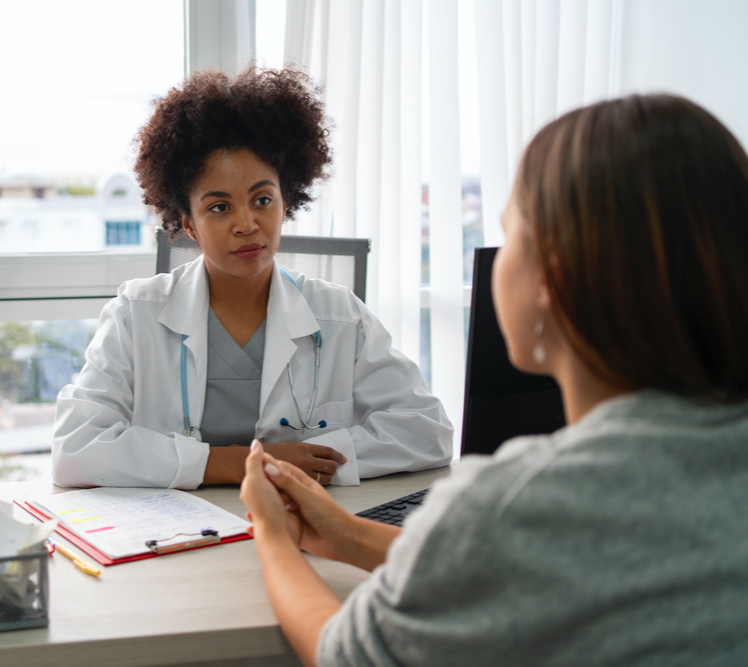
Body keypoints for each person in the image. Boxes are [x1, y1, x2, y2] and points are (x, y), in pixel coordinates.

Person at [240, 93, 748, 665]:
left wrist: (272, 537)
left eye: (511, 233)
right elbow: (538, 564)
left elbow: (345, 653)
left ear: (549, 279)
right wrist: (346, 536)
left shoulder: (516, 504)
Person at [53, 68, 452, 489]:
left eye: (262, 200)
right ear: (188, 223)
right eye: (219, 207)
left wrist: (309, 463)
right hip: (182, 534)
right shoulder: (135, 314)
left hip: (302, 523)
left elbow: (427, 432)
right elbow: (77, 447)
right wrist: (245, 464)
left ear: (286, 203)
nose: (246, 224)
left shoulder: (339, 315)